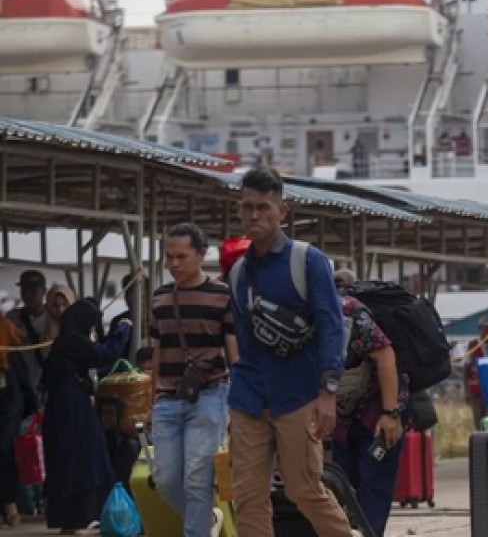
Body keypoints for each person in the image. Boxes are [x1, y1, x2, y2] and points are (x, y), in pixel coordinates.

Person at [225, 167, 351, 537]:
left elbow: (332, 326)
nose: (254, 215)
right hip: (248, 396)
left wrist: (328, 392)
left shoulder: (307, 261)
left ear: (283, 211)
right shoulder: (237, 273)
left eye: (263, 207)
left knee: (304, 490)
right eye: (247, 207)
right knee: (247, 496)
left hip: (298, 395)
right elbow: (242, 341)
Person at [149, 223, 238, 537]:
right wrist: (150, 402)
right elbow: (157, 353)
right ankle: (206, 520)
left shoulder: (222, 295)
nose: (174, 264)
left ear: (201, 255)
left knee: (197, 477)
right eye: (169, 257)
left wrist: (238, 404)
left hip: (210, 394)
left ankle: (196, 531)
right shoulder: (159, 298)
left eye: (181, 257)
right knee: (165, 479)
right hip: (166, 399)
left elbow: (233, 350)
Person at [42, 300, 132, 533]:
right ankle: (84, 515)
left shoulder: (65, 341)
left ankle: (72, 518)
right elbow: (106, 354)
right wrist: (122, 329)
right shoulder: (73, 341)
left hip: (62, 407)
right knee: (86, 458)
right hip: (73, 408)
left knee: (70, 461)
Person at [329, 286, 407, 537]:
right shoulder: (298, 314)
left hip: (378, 413)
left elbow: (385, 356)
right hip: (343, 419)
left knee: (374, 487)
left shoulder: (349, 314)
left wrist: (391, 415)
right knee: (344, 488)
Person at [0, 314, 27, 528]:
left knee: (5, 450)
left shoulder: (6, 329)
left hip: (7, 400)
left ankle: (10, 505)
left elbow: (19, 365)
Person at [6, 271, 49, 403]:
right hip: (20, 390)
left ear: (44, 291)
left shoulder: (53, 319)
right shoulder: (12, 319)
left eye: (33, 289)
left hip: (48, 387)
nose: (27, 294)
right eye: (24, 289)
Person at [463, 316, 488, 430]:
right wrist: (467, 393)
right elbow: (466, 371)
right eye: (487, 328)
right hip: (476, 393)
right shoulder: (473, 345)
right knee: (478, 423)